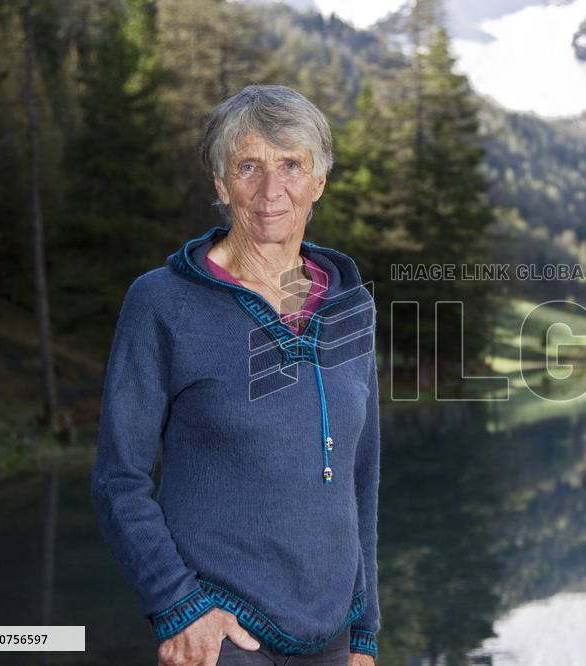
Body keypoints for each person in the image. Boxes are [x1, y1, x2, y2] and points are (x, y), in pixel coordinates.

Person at [90, 84, 380, 666]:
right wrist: (177, 604)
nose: (272, 190)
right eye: (249, 167)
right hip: (222, 636)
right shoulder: (162, 303)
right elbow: (118, 477)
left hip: (333, 636)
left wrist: (365, 632)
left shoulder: (351, 307)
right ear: (221, 184)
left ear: (319, 181)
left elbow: (362, 477)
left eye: (291, 165)